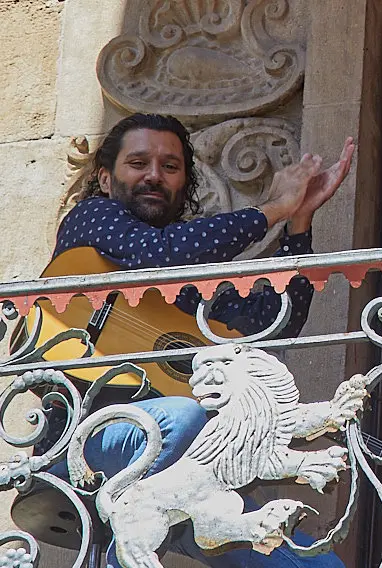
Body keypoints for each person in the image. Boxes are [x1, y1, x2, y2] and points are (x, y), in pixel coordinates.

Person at [38, 113, 355, 567]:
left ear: (184, 184)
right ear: (105, 179)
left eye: (170, 166)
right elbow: (161, 252)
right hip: (82, 439)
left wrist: (298, 224)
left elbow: (270, 324)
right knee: (182, 415)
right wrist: (273, 208)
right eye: (138, 162)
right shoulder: (92, 219)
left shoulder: (188, 290)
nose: (153, 175)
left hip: (186, 479)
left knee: (320, 564)